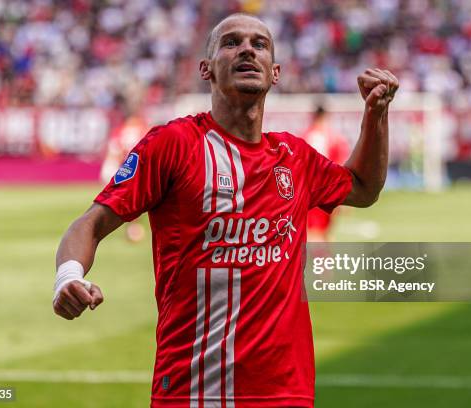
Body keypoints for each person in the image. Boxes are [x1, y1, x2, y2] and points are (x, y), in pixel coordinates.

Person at [53, 13, 398, 407]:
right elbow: (91, 223)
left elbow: (364, 188)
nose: (248, 49)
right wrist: (67, 277)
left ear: (276, 73)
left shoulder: (294, 157)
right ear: (206, 69)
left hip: (287, 392)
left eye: (260, 44)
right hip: (195, 390)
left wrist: (376, 114)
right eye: (231, 42)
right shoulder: (173, 145)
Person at [100, 99, 150, 242]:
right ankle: (134, 227)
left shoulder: (120, 130)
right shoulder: (143, 128)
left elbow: (114, 152)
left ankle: (128, 226)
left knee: (120, 200)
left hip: (122, 168)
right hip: (139, 168)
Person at [302, 105, 350, 241]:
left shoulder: (304, 137)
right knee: (321, 233)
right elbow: (340, 166)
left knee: (314, 232)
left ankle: (321, 260)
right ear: (325, 116)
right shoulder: (334, 138)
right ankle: (322, 261)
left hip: (309, 190)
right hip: (328, 190)